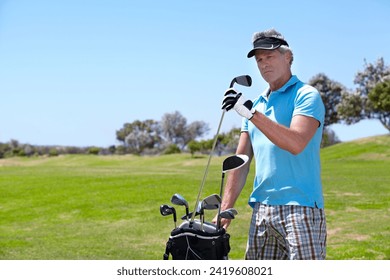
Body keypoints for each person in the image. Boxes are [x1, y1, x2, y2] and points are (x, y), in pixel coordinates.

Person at [216, 28, 327, 260]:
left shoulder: (306, 95)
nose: (264, 64)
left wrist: (252, 114)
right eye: (259, 60)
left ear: (288, 57)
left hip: (301, 207)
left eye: (270, 57)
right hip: (262, 211)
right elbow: (241, 162)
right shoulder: (256, 104)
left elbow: (296, 143)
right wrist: (225, 209)